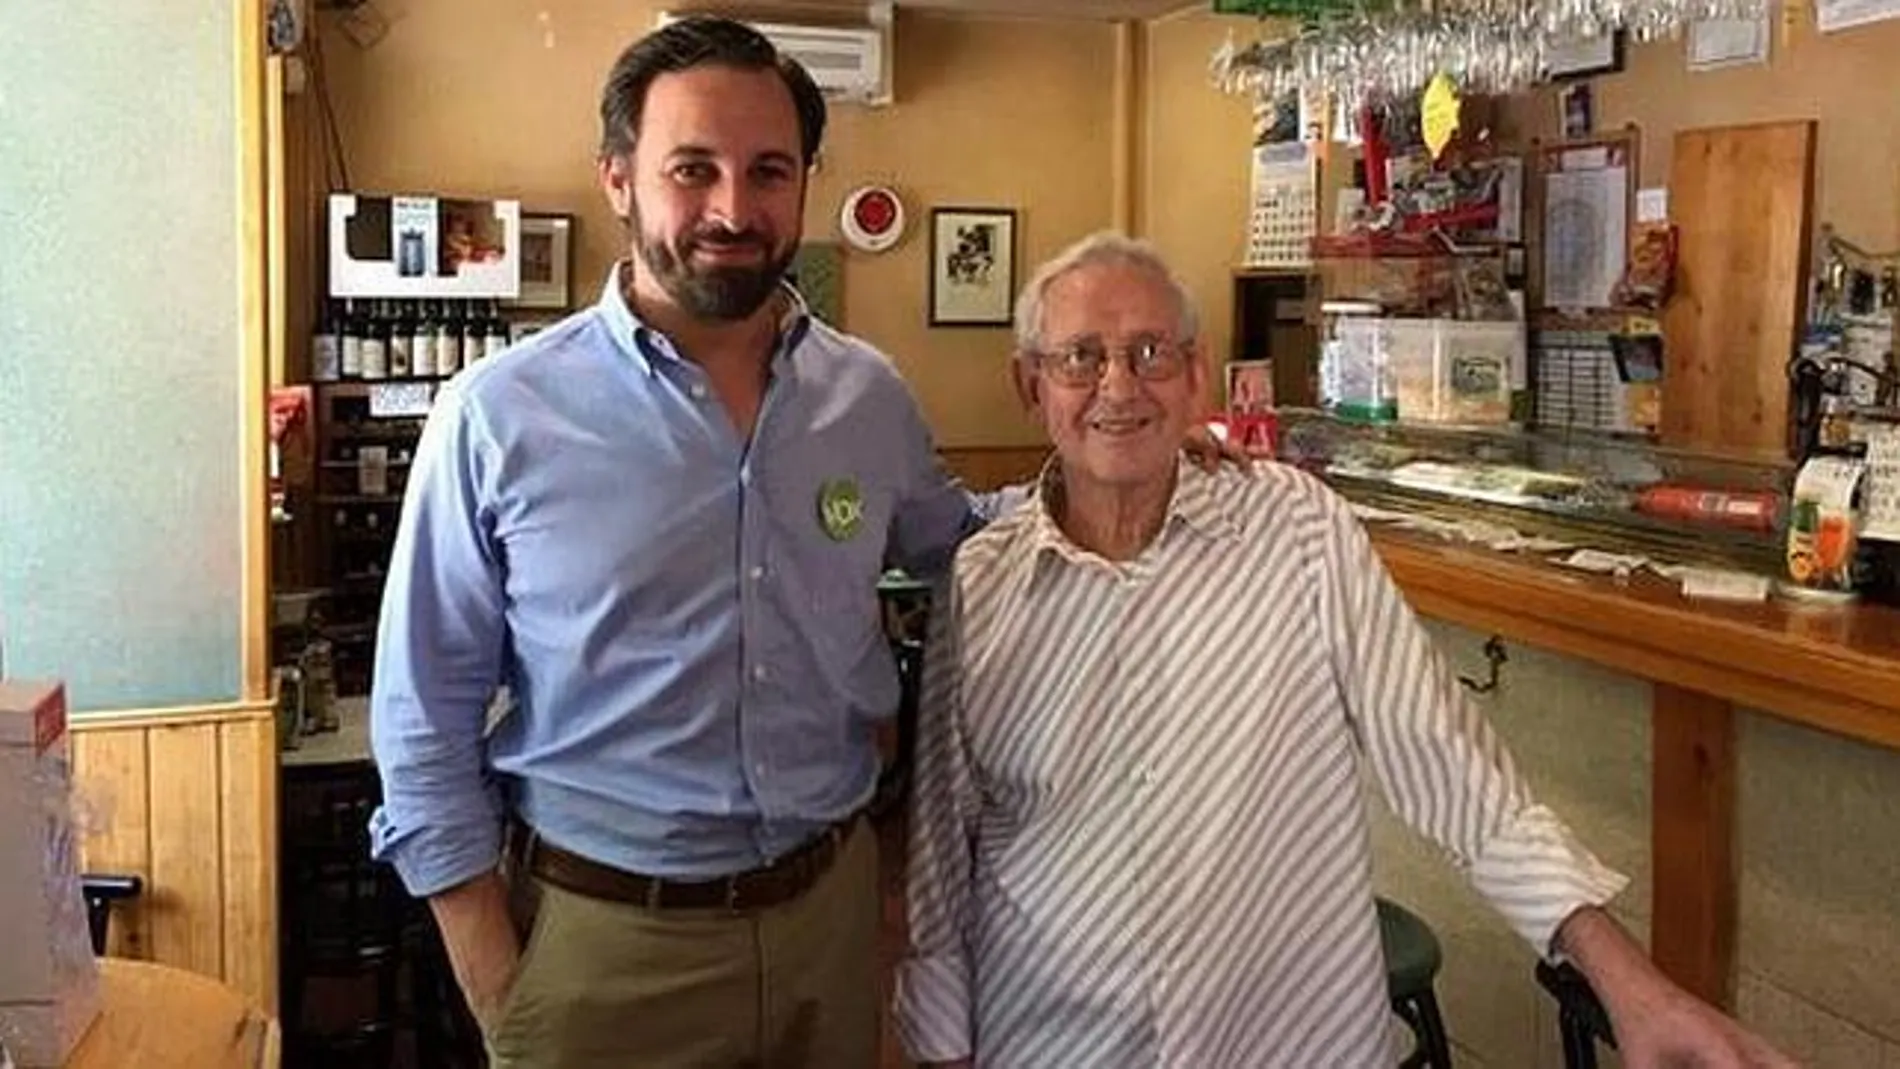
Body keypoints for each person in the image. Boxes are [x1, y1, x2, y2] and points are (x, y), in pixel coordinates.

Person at [366, 19, 1236, 1069]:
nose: (734, 208)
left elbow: (958, 541)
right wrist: (502, 982)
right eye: (693, 170)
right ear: (618, 179)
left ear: (804, 182)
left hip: (831, 921)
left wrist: (1121, 464)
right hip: (603, 946)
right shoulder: (497, 415)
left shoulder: (864, 396)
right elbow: (422, 719)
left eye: (768, 170)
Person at [894, 231, 1799, 1069]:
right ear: (1031, 386)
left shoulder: (1297, 528)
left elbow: (1451, 770)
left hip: (1288, 1040)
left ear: (1197, 372)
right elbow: (943, 850)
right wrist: (944, 1048)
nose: (1120, 387)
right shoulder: (984, 579)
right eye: (1081, 358)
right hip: (1053, 1041)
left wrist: (1630, 985)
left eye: (1150, 352)